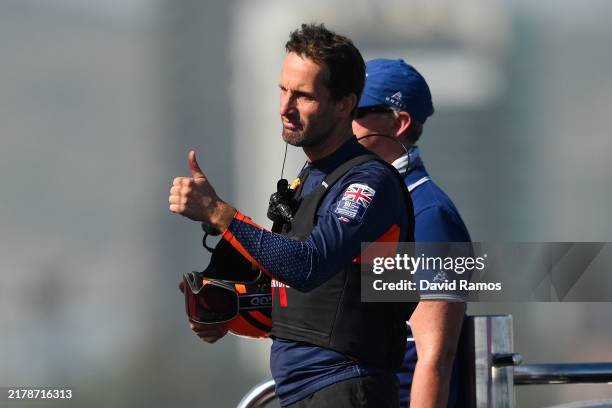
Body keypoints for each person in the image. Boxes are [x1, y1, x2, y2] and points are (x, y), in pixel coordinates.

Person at [169, 24, 416, 407]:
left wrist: (220, 213)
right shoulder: (311, 177)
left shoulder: (368, 181)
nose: (285, 107)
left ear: (344, 104)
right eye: (283, 90)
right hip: (303, 391)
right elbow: (304, 298)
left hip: (346, 389)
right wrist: (228, 310)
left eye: (302, 96)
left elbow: (308, 265)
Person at [352, 59, 471, 408]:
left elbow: (434, 356)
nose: (343, 120)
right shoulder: (363, 202)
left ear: (400, 123)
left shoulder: (430, 216)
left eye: (357, 110)